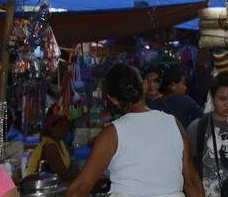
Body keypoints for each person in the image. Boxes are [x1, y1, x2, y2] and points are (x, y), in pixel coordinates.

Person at [66, 64, 203, 197]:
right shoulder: (174, 124)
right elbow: (191, 182)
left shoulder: (112, 134)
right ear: (144, 86)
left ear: (112, 99)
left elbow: (78, 190)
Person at [187, 72, 228, 197]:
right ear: (212, 98)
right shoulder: (197, 127)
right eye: (222, 99)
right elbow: (187, 168)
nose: (227, 104)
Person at [27, 114, 79, 181]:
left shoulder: (60, 142)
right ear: (51, 129)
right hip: (38, 185)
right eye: (60, 126)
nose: (64, 129)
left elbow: (70, 164)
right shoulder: (50, 147)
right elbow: (63, 174)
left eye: (66, 126)